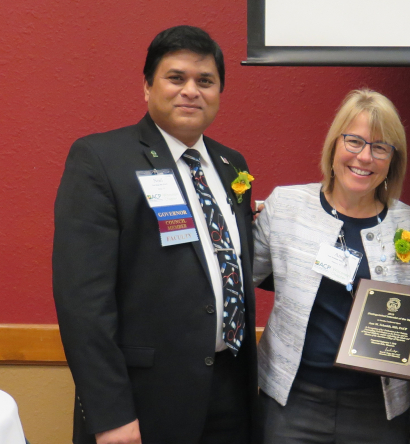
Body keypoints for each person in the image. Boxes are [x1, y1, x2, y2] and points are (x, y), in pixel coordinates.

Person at [53, 26, 259, 444]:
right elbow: (83, 304)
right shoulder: (101, 159)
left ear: (219, 92)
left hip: (231, 393)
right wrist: (110, 415)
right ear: (147, 86)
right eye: (175, 78)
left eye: (205, 81)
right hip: (144, 405)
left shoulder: (231, 165)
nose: (191, 91)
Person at [253, 89, 410, 444]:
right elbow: (237, 281)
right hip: (292, 400)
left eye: (380, 147)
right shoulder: (285, 207)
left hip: (378, 408)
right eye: (354, 141)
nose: (365, 157)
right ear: (334, 144)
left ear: (393, 160)